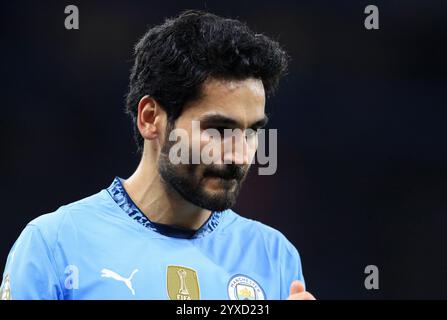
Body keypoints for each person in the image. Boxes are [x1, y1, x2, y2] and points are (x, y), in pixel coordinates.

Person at [0, 10, 315, 300]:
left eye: (251, 132)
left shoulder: (274, 257)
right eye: (219, 129)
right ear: (151, 118)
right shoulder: (53, 247)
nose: (237, 156)